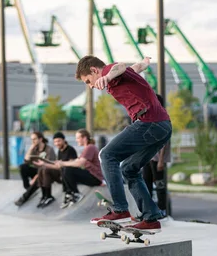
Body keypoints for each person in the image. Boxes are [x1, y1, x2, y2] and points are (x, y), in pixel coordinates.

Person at [76, 55, 172, 231]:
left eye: (89, 81)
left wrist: (107, 76)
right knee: (128, 169)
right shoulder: (122, 77)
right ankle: (151, 218)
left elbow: (120, 66)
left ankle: (120, 210)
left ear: (94, 70)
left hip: (148, 122)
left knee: (107, 155)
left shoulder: (109, 72)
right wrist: (144, 63)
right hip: (162, 126)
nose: (90, 86)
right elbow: (133, 69)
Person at [35, 129, 103, 209]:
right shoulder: (86, 149)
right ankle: (69, 194)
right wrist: (45, 164)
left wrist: (63, 163)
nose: (76, 140)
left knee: (68, 169)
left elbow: (79, 163)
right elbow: (74, 162)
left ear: (84, 138)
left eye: (78, 138)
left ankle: (75, 193)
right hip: (91, 176)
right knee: (65, 169)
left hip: (96, 178)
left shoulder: (90, 147)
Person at [142, 94, 171, 214]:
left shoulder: (163, 118)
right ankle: (149, 209)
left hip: (157, 159)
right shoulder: (151, 116)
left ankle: (162, 209)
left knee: (159, 185)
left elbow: (164, 141)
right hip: (147, 158)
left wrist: (161, 160)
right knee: (145, 184)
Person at [31, 132, 78, 208]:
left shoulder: (70, 149)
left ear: (63, 140)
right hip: (61, 173)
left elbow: (73, 164)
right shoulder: (60, 151)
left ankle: (51, 195)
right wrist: (44, 164)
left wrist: (46, 164)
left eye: (59, 141)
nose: (57, 143)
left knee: (47, 169)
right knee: (43, 169)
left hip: (69, 175)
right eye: (55, 142)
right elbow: (57, 165)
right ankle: (45, 196)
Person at [14, 131, 56, 206]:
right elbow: (26, 160)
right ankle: (27, 187)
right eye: (31, 139)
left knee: (40, 173)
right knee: (23, 166)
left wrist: (36, 177)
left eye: (34, 139)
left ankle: (24, 198)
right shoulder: (34, 149)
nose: (33, 141)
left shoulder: (49, 149)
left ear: (40, 139)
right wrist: (30, 149)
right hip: (38, 171)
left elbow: (49, 165)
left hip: (47, 172)